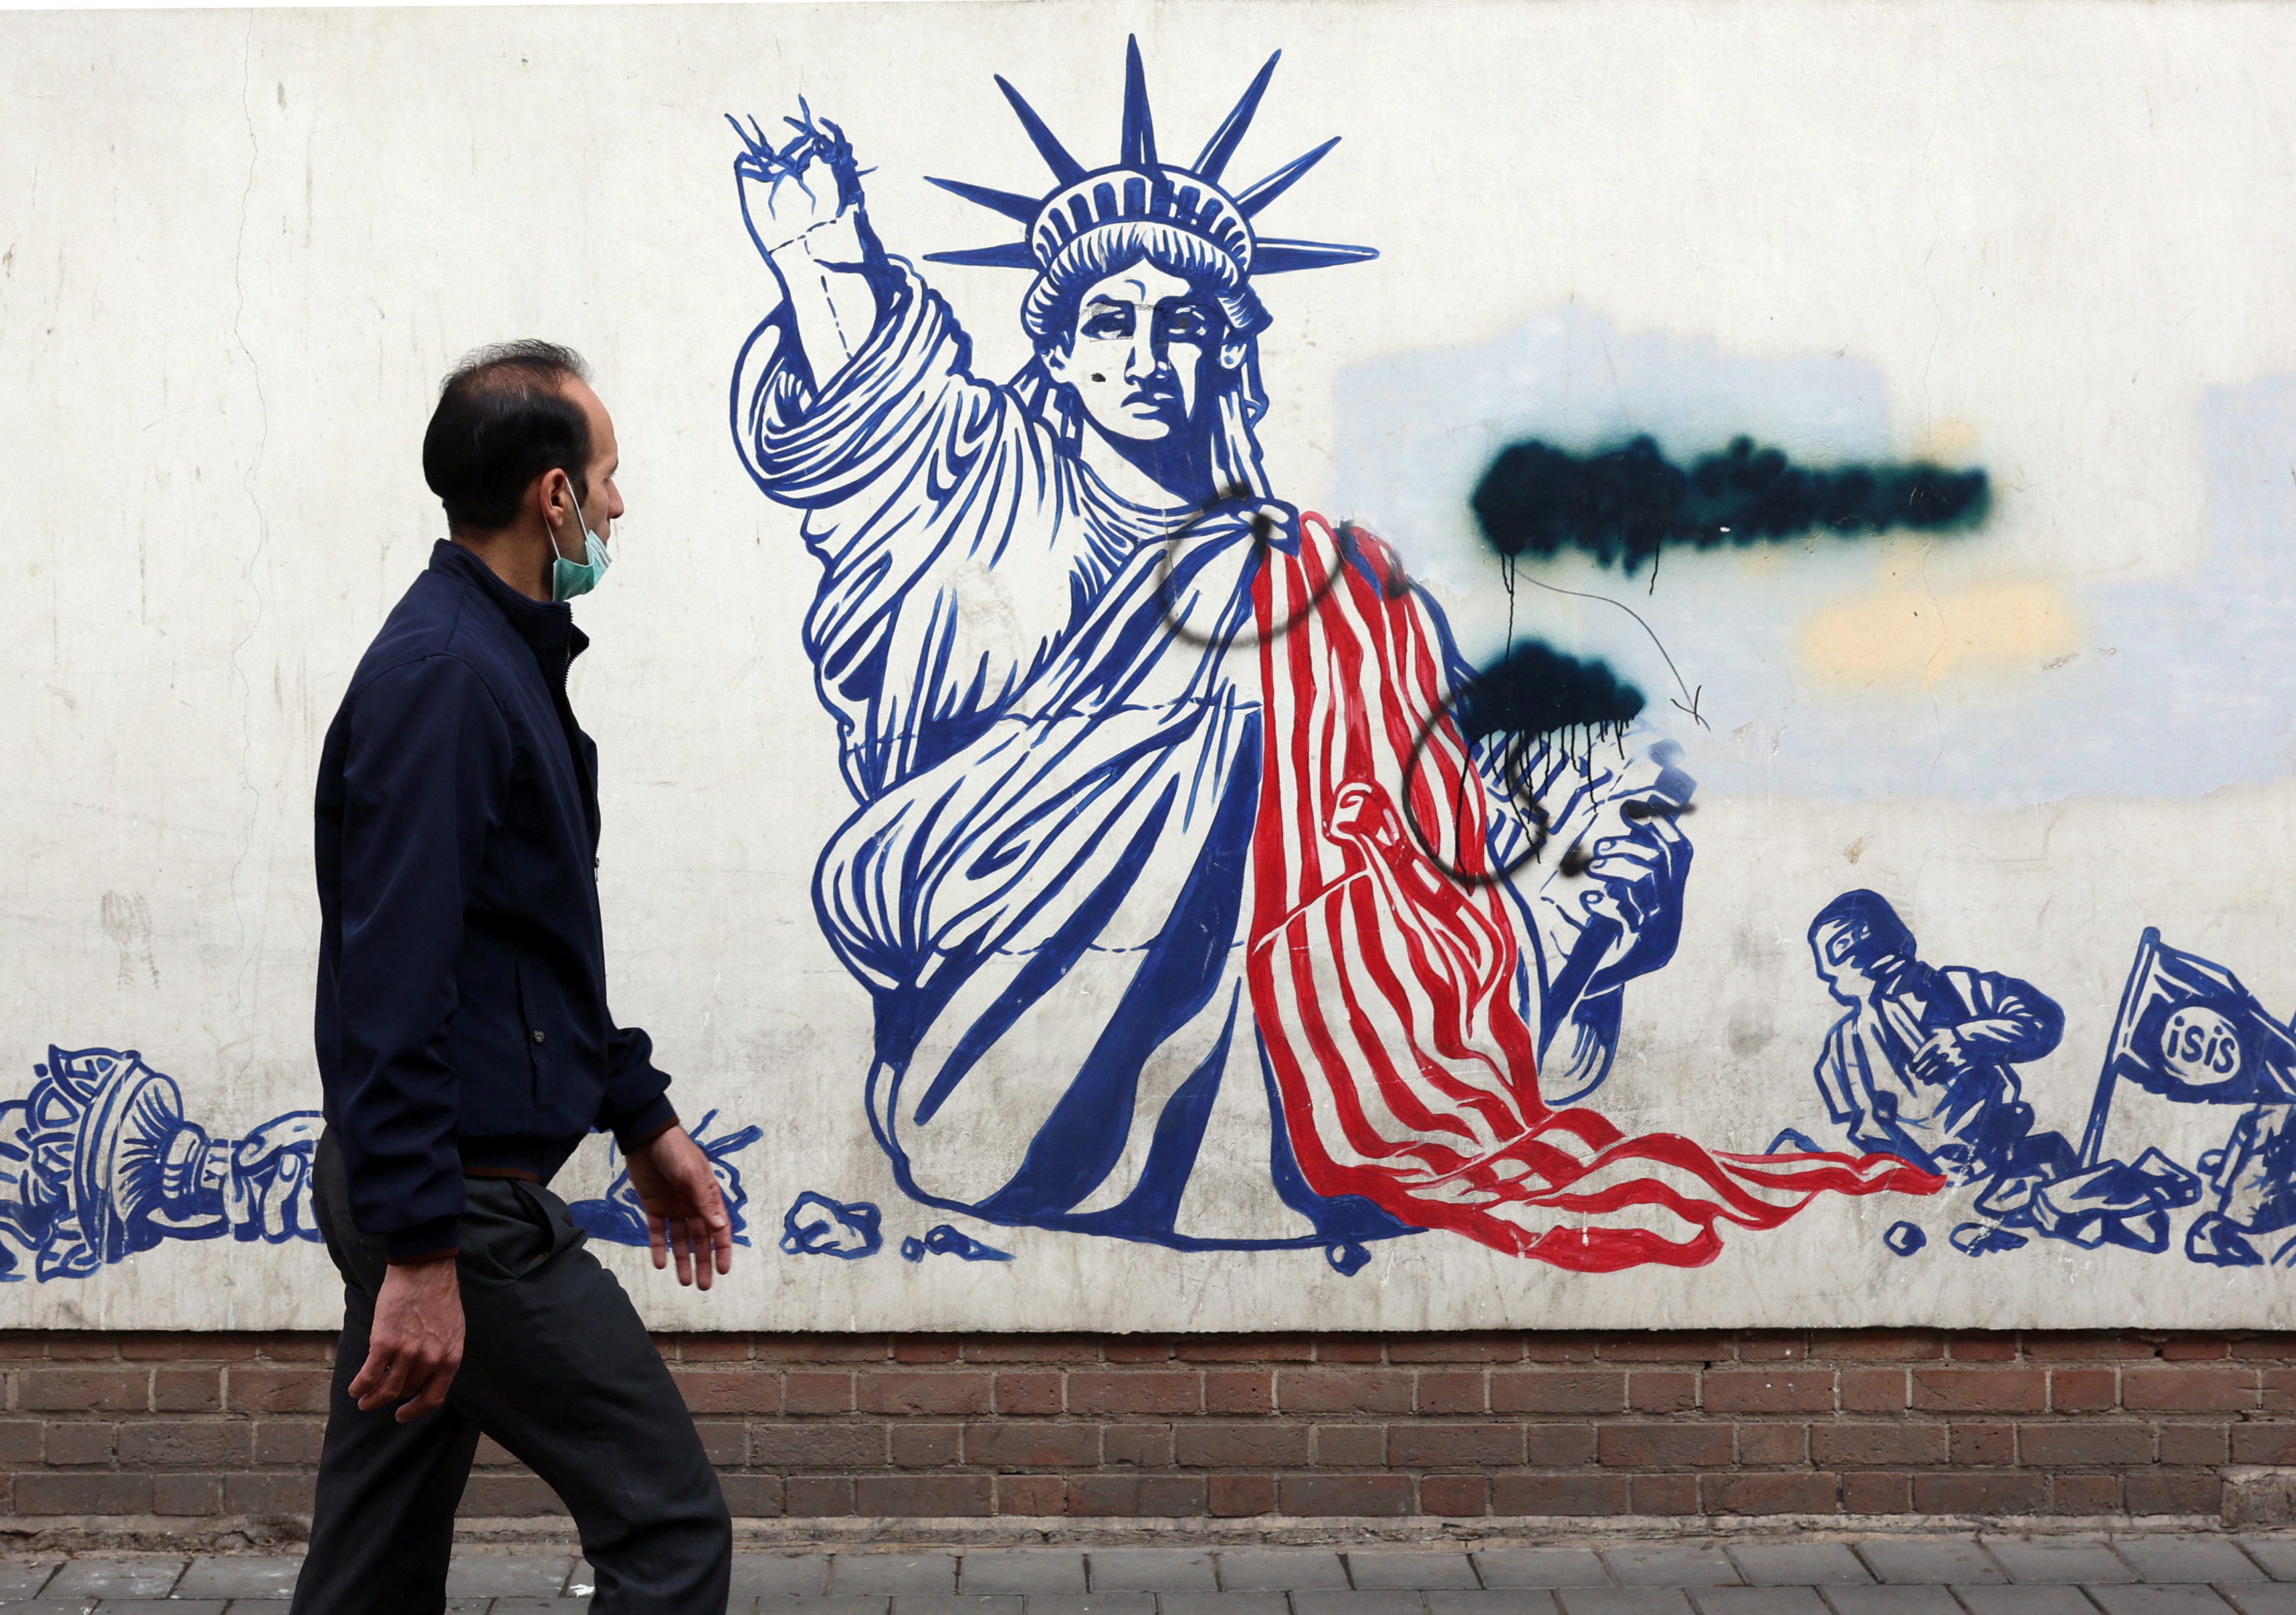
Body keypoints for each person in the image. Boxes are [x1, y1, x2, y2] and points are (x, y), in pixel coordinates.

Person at [726, 43, 1934, 1273]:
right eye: (1109, 320)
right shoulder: (990, 494)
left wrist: (1570, 806)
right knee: (1246, 703)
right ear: (1057, 354)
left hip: (1312, 984)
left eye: (1183, 324)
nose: (1145, 353)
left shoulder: (1334, 577)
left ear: (1229, 356)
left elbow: (1435, 786)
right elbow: (876, 434)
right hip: (998, 929)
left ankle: (1426, 1042)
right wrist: (821, 265)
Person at [291, 343, 733, 1615]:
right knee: (668, 1528)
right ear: (552, 497)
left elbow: (528, 945)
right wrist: (426, 1256)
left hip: (429, 1191)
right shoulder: (448, 682)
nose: (617, 506)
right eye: (606, 476)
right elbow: (396, 979)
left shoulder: (498, 659)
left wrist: (636, 1115)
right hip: (457, 1209)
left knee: (371, 1570)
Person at [1807, 889, 2072, 1184]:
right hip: (1921, 1182)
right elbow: (1855, 1129)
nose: (1828, 976)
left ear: (1860, 937)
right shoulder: (1842, 1045)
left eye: (1833, 954)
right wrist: (1926, 1172)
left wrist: (1967, 1040)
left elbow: (2043, 1022)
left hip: (2004, 1160)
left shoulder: (1964, 987)